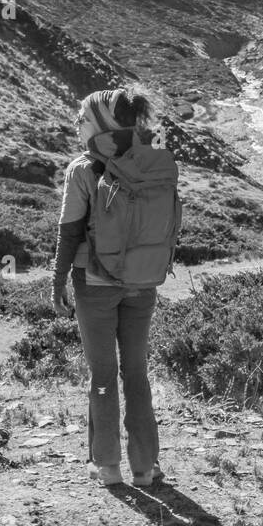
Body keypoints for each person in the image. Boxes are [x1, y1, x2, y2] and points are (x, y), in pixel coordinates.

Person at [51, 86, 179, 488]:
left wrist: (57, 282)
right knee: (137, 374)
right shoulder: (153, 163)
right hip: (143, 284)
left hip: (95, 284)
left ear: (103, 124)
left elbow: (69, 234)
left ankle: (106, 466)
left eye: (84, 117)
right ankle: (146, 468)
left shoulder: (83, 169)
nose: (77, 123)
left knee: (103, 375)